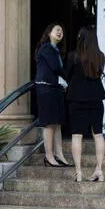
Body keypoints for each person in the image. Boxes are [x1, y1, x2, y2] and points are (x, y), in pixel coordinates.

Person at [65, 26, 105, 182]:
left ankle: (78, 172)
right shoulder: (100, 56)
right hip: (96, 98)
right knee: (98, 134)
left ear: (81, 39)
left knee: (77, 135)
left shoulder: (73, 56)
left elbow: (66, 75)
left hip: (77, 98)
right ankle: (99, 170)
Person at [33, 23, 70, 166]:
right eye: (57, 30)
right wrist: (63, 77)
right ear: (49, 33)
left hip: (55, 88)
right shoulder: (46, 48)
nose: (60, 32)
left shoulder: (55, 50)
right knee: (49, 123)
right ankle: (49, 156)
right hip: (46, 88)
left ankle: (59, 155)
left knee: (57, 123)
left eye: (62, 30)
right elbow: (55, 67)